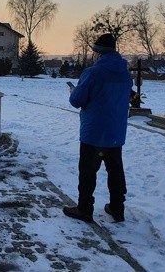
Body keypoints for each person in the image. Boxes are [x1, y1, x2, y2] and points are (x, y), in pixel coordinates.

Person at [63, 33, 132, 223]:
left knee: (88, 171)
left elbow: (77, 101)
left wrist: (73, 91)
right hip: (116, 133)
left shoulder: (93, 73)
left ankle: (85, 209)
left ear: (98, 53)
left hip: (94, 133)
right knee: (116, 171)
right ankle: (118, 209)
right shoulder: (125, 73)